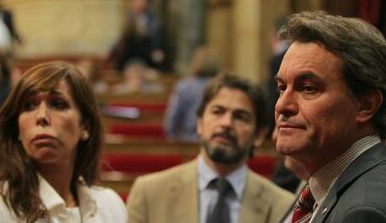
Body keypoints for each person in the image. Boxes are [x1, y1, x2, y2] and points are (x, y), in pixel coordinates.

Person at [127, 73, 294, 223]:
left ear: (258, 135)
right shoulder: (149, 194)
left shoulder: (283, 207)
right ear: (199, 123)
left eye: (240, 117)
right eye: (217, 112)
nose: (226, 123)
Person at [0, 62, 127, 222]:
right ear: (17, 129)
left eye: (58, 104)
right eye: (29, 106)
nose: (41, 116)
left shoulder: (111, 206)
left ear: (84, 126)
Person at [274, 11, 386, 222]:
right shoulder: (323, 186)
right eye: (281, 87)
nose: (282, 105)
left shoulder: (363, 212)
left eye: (307, 88)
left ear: (365, 105)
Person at [164, 46, 219, 141]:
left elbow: (171, 120)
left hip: (186, 139)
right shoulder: (220, 88)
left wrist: (174, 142)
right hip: (213, 139)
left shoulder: (184, 86)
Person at [107, 0, 166, 72]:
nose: (138, 4)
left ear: (148, 4)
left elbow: (156, 42)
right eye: (136, 1)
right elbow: (121, 39)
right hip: (128, 54)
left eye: (142, 1)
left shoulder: (155, 22)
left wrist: (157, 51)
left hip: (146, 53)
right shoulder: (128, 17)